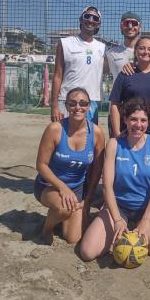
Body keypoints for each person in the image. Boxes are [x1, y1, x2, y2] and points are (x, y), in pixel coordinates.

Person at [79, 97, 150, 264]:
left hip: (147, 208)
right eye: (133, 119)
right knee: (87, 252)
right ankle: (123, 227)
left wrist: (146, 221)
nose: (138, 125)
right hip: (119, 207)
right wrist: (117, 220)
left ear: (148, 123)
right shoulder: (114, 144)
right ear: (125, 120)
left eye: (143, 120)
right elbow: (107, 187)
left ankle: (144, 228)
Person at [35, 87, 106, 245]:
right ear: (66, 106)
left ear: (89, 106)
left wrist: (88, 199)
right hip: (49, 184)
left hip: (77, 189)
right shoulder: (55, 129)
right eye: (72, 103)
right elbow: (41, 165)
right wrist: (62, 187)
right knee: (63, 208)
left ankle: (61, 217)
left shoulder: (97, 133)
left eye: (83, 103)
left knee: (73, 238)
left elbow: (97, 170)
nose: (78, 107)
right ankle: (47, 228)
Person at [109, 36, 150, 138]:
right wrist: (117, 132)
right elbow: (114, 104)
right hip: (130, 131)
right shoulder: (125, 74)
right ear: (135, 51)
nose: (145, 52)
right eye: (142, 48)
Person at [51, 6, 105, 124]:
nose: (90, 20)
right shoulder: (65, 43)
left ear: (98, 24)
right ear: (81, 19)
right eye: (87, 16)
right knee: (62, 139)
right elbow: (57, 75)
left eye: (95, 18)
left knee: (87, 140)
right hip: (67, 100)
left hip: (91, 101)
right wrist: (54, 106)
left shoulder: (102, 47)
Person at [104, 12, 142, 81]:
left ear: (139, 27)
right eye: (126, 23)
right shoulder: (110, 54)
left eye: (134, 23)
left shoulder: (148, 53)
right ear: (121, 27)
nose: (130, 27)